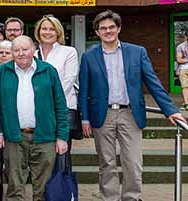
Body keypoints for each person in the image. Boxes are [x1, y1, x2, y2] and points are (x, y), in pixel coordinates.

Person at [79, 10, 186, 201]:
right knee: (107, 163)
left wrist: (171, 110)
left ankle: (131, 197)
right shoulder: (89, 56)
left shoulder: (137, 52)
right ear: (97, 32)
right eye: (103, 28)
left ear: (119, 28)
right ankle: (109, 197)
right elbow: (84, 90)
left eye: (112, 27)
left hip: (130, 114)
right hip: (102, 115)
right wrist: (85, 118)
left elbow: (153, 83)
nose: (108, 31)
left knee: (133, 162)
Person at [0, 36, 69, 201]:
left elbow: (61, 106)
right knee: (14, 186)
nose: (21, 53)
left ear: (34, 49)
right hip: (13, 137)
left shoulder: (48, 71)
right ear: (12, 53)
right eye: (16, 50)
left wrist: (62, 137)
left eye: (25, 49)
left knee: (44, 187)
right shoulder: (2, 73)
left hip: (45, 137)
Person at [34, 14, 80, 148]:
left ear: (58, 32)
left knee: (61, 154)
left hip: (62, 108)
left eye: (52, 29)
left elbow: (69, 80)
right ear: (38, 31)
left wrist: (48, 99)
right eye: (44, 29)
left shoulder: (69, 52)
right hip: (38, 111)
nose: (47, 32)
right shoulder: (33, 54)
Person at [177, 30, 188, 110]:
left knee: (185, 87)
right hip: (184, 69)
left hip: (184, 68)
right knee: (185, 86)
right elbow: (179, 60)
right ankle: (186, 104)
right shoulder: (181, 46)